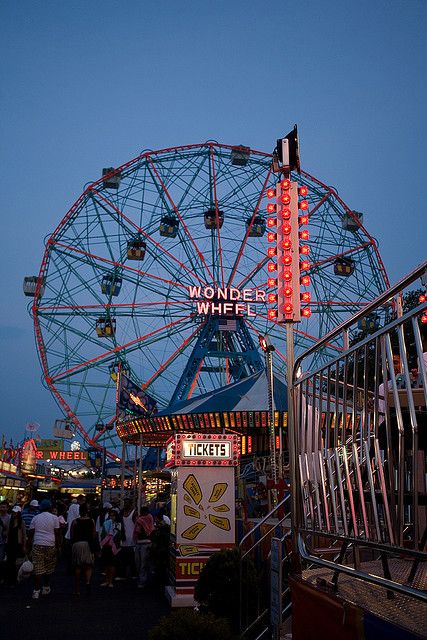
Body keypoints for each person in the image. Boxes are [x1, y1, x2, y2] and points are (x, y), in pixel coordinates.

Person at [27, 499, 61, 599]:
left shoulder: (36, 518)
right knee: (48, 567)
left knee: (38, 568)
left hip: (38, 543)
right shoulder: (54, 518)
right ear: (50, 508)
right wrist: (59, 547)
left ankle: (36, 590)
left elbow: (30, 534)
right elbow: (57, 533)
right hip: (50, 544)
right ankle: (46, 587)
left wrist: (27, 547)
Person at [70, 503, 96, 595]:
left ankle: (77, 589)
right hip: (87, 544)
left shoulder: (75, 521)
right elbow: (93, 535)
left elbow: (71, 535)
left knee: (77, 566)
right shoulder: (91, 521)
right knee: (88, 565)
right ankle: (88, 582)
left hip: (77, 544)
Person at [133, 506, 154, 589]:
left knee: (142, 563)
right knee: (140, 562)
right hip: (141, 542)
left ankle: (142, 580)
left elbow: (140, 531)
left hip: (145, 543)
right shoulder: (144, 519)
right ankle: (143, 578)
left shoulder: (144, 519)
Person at [100, 508, 122, 587]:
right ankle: (106, 580)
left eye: (113, 516)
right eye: (110, 516)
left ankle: (110, 581)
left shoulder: (118, 524)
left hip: (114, 546)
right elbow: (102, 534)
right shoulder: (106, 523)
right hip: (106, 545)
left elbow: (119, 536)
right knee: (106, 564)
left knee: (112, 564)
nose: (112, 517)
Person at [6, 506, 27, 585]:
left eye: (15, 512)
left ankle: (14, 579)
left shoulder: (22, 523)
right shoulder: (10, 521)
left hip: (17, 545)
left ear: (18, 513)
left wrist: (24, 546)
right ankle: (10, 579)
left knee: (15, 563)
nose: (14, 513)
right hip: (10, 544)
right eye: (13, 512)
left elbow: (24, 535)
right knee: (9, 562)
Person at [119, 498, 137, 579]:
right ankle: (123, 574)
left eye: (127, 503)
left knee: (132, 558)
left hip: (132, 539)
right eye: (124, 502)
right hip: (124, 538)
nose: (125, 504)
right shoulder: (122, 512)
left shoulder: (134, 513)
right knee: (123, 557)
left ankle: (133, 574)